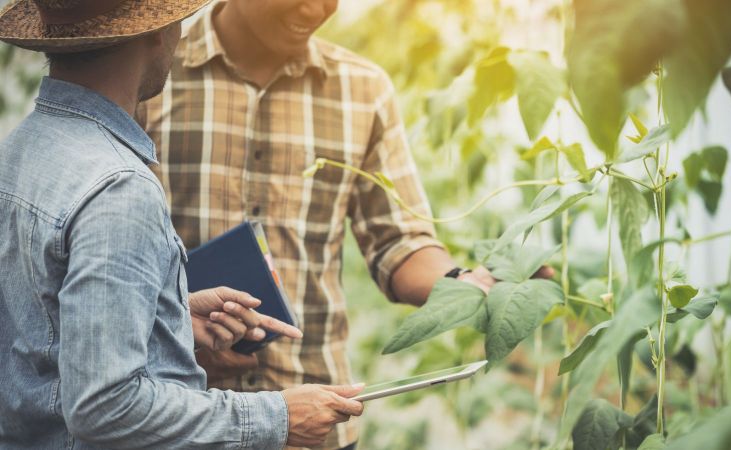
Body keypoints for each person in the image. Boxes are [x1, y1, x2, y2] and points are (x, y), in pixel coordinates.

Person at [138, 1, 515, 448]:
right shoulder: (150, 70)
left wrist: (462, 283)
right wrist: (176, 338)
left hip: (316, 415)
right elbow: (110, 254)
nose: (316, 8)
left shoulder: (361, 89)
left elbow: (397, 240)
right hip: (183, 415)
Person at [0, 1, 363, 448]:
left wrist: (165, 318)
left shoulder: (20, 150)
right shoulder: (119, 187)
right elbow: (105, 408)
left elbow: (38, 332)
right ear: (158, 31)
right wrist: (277, 414)